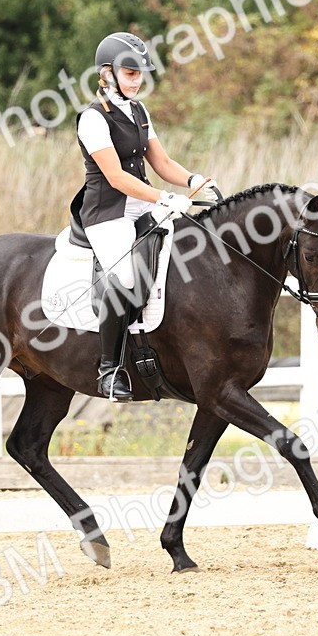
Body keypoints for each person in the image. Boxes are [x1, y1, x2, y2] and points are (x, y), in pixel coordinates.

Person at [75, 31, 221, 401]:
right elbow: (116, 176)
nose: (137, 79)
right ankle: (108, 371)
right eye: (129, 72)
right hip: (108, 215)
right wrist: (164, 197)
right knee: (126, 279)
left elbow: (161, 162)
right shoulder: (92, 119)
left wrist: (193, 180)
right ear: (106, 73)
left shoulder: (139, 111)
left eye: (141, 73)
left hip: (144, 207)